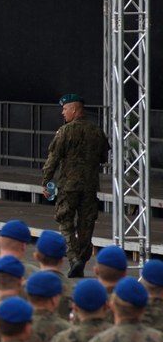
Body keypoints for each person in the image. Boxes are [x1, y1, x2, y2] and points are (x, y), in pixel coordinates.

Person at [41, 93, 109, 278]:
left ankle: (73, 258)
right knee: (86, 225)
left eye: (64, 109)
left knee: (65, 222)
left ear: (74, 109)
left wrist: (46, 182)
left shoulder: (65, 131)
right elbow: (104, 157)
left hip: (68, 186)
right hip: (90, 186)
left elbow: (52, 160)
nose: (63, 113)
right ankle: (82, 257)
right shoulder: (96, 131)